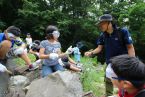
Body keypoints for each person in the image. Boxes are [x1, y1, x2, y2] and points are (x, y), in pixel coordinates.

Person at [85, 14, 135, 96]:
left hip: (123, 62)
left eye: (102, 23)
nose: (100, 26)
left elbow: (130, 47)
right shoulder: (103, 35)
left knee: (124, 81)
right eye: (99, 24)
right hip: (110, 61)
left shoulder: (122, 32)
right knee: (108, 79)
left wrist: (132, 62)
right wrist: (91, 52)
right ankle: (108, 95)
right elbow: (99, 48)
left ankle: (124, 94)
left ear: (109, 22)